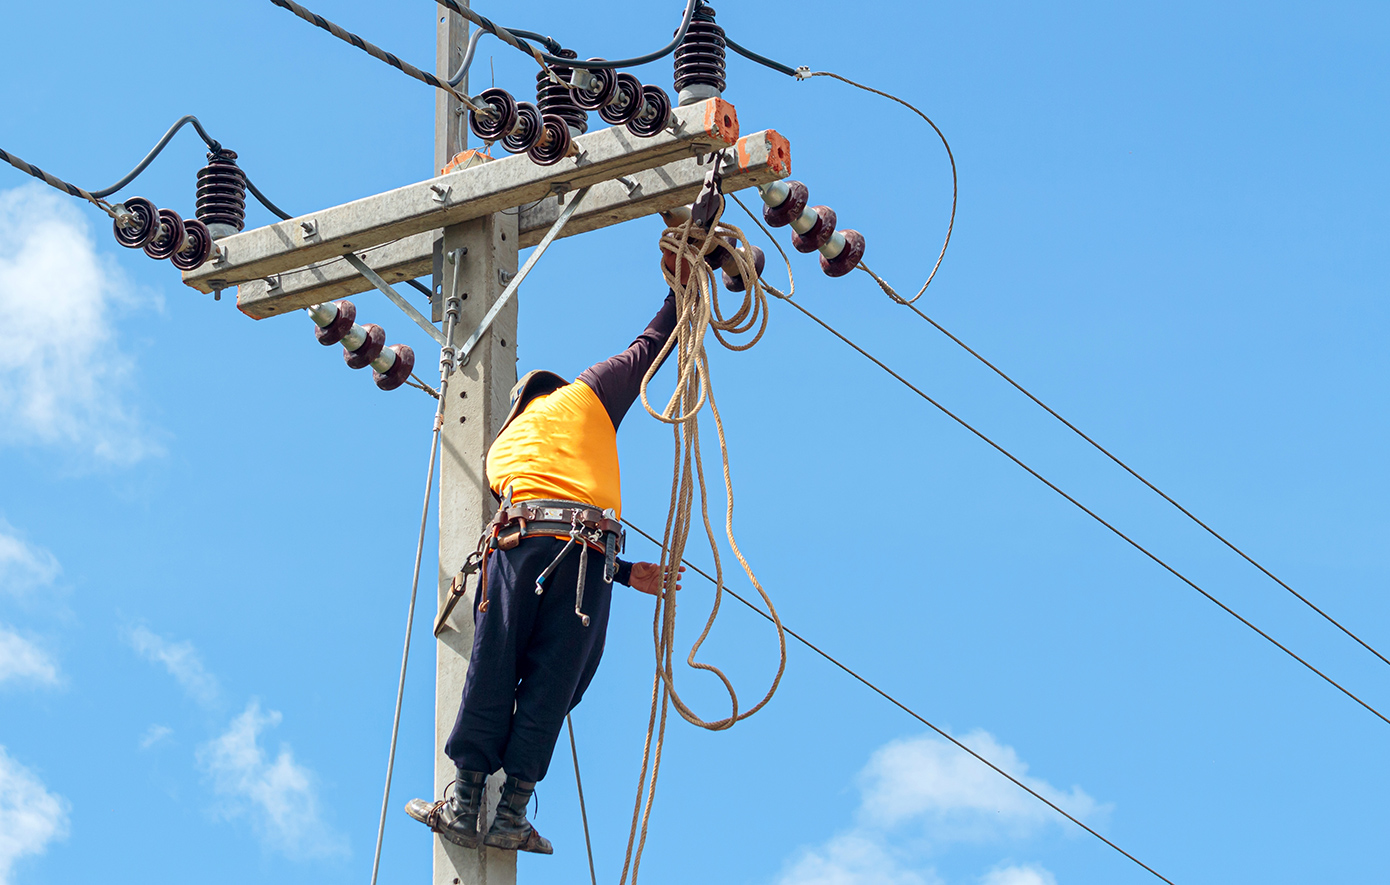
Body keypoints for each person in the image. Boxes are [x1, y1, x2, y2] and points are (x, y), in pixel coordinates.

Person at [407, 286, 685, 855]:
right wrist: (688, 275)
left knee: (493, 666)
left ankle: (464, 802)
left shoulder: (500, 451)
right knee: (554, 683)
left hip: (519, 548)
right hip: (588, 561)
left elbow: (538, 521)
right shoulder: (587, 396)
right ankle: (510, 812)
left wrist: (627, 571)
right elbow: (653, 341)